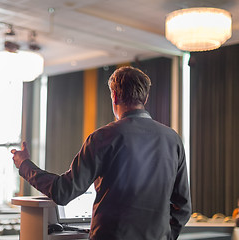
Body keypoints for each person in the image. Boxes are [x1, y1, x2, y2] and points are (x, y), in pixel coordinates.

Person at [11, 66, 191, 240]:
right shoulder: (173, 139)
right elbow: (183, 208)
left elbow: (63, 192)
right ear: (145, 98)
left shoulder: (103, 137)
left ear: (114, 96)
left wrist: (25, 165)